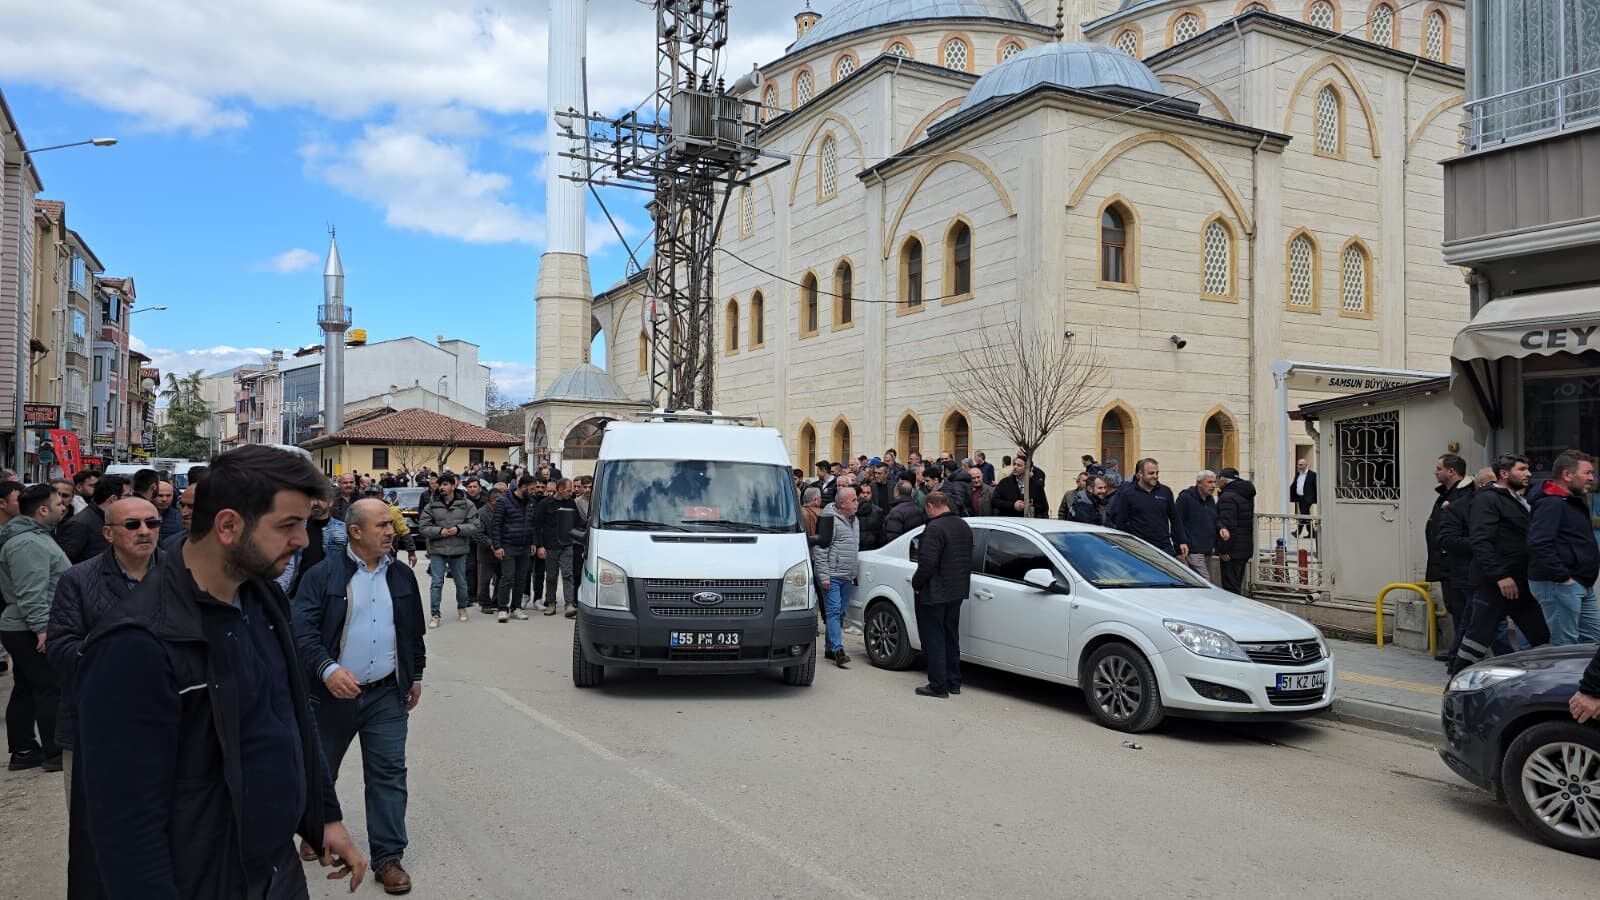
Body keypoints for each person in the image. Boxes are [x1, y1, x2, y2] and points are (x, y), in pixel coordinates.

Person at [74, 445, 367, 897]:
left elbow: (291, 715)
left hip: (274, 870)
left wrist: (324, 814)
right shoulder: (137, 643)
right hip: (203, 879)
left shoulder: (263, 599)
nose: (303, 541)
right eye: (288, 525)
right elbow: (124, 823)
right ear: (228, 525)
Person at [292, 497, 425, 895]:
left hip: (386, 694)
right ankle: (317, 831)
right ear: (355, 532)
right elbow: (302, 632)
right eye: (382, 525)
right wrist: (327, 669)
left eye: (392, 525)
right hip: (331, 695)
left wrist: (414, 674)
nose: (391, 531)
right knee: (321, 770)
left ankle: (388, 859)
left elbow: (412, 632)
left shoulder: (401, 576)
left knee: (388, 775)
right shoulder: (323, 575)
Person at [47, 494, 162, 899]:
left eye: (153, 523)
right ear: (109, 533)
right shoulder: (78, 579)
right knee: (97, 837)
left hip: (166, 727)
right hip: (94, 728)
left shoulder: (181, 576)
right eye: (133, 525)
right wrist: (120, 659)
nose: (145, 531)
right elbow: (61, 648)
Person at [1452, 453, 1551, 675]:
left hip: (1519, 582)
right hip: (1494, 583)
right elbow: (1481, 541)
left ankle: (1546, 677)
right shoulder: (1487, 499)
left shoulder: (1518, 500)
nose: (1528, 473)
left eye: (1528, 469)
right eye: (1522, 469)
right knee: (1479, 636)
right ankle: (1456, 677)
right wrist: (1499, 576)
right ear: (1504, 474)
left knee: (1540, 635)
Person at [1, 483, 72, 773]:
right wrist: (43, 629)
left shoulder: (33, 536)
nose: (63, 507)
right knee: (49, 689)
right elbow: (31, 592)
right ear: (42, 510)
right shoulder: (27, 543)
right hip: (29, 627)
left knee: (28, 688)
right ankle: (53, 752)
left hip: (25, 625)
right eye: (58, 504)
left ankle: (25, 749)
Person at [1527, 450, 1600, 646]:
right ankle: (1563, 677)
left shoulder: (1570, 501)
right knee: (1565, 646)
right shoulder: (1551, 503)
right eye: (1587, 473)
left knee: (1593, 641)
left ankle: (1585, 678)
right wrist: (1563, 577)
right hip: (1559, 584)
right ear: (1567, 475)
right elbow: (1539, 543)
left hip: (1580, 583)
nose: (1592, 478)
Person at [911, 492, 972, 698]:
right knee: (950, 637)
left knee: (934, 638)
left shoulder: (934, 528)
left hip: (935, 592)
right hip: (957, 591)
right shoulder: (963, 525)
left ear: (930, 506)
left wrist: (916, 583)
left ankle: (938, 685)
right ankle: (954, 682)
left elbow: (927, 563)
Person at [1427, 454, 1476, 662]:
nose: (1435, 472)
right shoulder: (1447, 494)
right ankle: (1457, 649)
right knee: (1456, 609)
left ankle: (1462, 654)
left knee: (1464, 611)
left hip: (1456, 565)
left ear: (1451, 471)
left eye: (1439, 468)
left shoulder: (1463, 496)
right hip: (1445, 564)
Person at [419, 472, 480, 628]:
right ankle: (435, 614)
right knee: (437, 583)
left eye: (445, 484)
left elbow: (476, 526)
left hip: (459, 550)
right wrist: (439, 531)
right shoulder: (431, 505)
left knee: (461, 583)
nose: (442, 487)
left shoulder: (466, 505)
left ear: (453, 486)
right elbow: (423, 527)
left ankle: (462, 607)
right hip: (438, 550)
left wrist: (458, 529)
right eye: (440, 484)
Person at [812, 486, 861, 668]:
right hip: (831, 575)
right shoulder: (829, 520)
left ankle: (829, 648)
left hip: (846, 575)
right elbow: (820, 549)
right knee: (833, 611)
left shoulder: (855, 521)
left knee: (839, 613)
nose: (857, 502)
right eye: (853, 500)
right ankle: (839, 650)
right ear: (842, 503)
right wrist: (824, 576)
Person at [1107, 459, 1189, 558]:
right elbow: (1121, 523)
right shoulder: (1128, 494)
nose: (1155, 476)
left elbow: (1175, 518)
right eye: (1151, 473)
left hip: (1164, 548)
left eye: (1157, 473)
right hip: (1140, 549)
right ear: (1140, 474)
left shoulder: (1165, 492)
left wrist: (1182, 541)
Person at [491, 475, 540, 622]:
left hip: (525, 547)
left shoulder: (531, 503)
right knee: (507, 578)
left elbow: (533, 525)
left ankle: (516, 608)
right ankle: (502, 608)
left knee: (521, 578)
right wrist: (498, 546)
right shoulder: (503, 502)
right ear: (522, 487)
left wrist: (533, 542)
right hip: (508, 545)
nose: (533, 491)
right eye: (531, 489)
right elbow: (496, 526)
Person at [55, 474, 130, 564]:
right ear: (113, 499)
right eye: (127, 496)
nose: (132, 500)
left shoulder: (111, 519)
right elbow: (64, 563)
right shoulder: (80, 524)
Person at [537, 479, 578, 618]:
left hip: (567, 545)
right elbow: (537, 526)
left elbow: (577, 522)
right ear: (559, 489)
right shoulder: (544, 504)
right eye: (568, 490)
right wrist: (540, 546)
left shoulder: (571, 503)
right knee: (551, 576)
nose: (571, 493)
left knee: (568, 574)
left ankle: (569, 604)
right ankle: (551, 603)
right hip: (550, 546)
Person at [1215, 468, 1255, 594]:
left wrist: (1224, 549)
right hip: (1244, 548)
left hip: (1231, 550)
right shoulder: (1245, 493)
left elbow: (1228, 525)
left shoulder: (1227, 497)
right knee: (1237, 584)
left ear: (1223, 481)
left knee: (1230, 588)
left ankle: (1233, 612)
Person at [1175, 471, 1219, 580]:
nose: (1213, 486)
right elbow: (1177, 522)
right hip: (1193, 550)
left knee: (1202, 583)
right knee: (1205, 581)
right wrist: (1179, 545)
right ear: (1199, 483)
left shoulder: (1210, 500)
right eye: (1209, 482)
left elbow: (1215, 519)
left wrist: (1222, 528)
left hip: (1208, 549)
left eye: (1214, 482)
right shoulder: (1185, 498)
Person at [474, 484, 504, 613]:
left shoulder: (503, 512)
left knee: (501, 577)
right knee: (484, 580)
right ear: (491, 501)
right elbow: (477, 534)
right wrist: (491, 544)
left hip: (501, 551)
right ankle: (484, 603)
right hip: (486, 552)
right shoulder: (481, 513)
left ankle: (497, 601)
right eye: (497, 500)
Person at [1290, 458, 1318, 537]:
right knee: (1306, 515)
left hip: (1308, 498)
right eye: (1298, 464)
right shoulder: (1298, 474)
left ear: (1306, 465)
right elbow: (1295, 484)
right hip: (1300, 498)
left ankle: (1297, 532)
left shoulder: (1312, 475)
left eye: (1301, 465)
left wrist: (1315, 499)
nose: (1299, 466)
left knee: (1303, 514)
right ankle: (1311, 533)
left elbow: (1316, 487)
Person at [857, 482, 886, 550]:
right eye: (863, 492)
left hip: (872, 549)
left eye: (868, 493)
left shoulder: (878, 512)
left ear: (872, 494)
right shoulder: (852, 510)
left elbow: (881, 535)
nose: (865, 495)